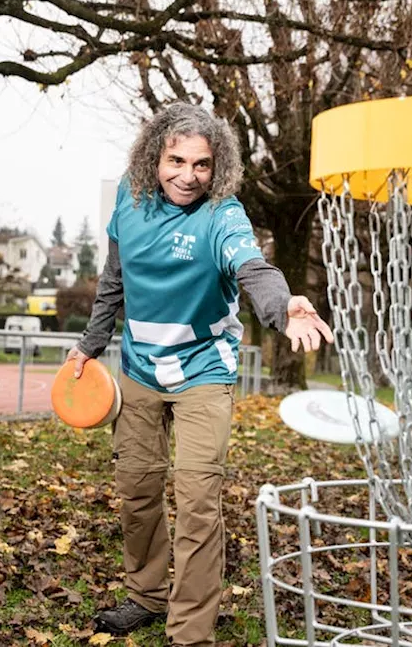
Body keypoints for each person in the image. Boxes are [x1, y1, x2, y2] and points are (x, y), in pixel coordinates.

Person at [67, 103, 333, 646]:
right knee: (137, 488)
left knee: (195, 501)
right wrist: (90, 344)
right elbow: (114, 278)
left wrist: (284, 310)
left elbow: (253, 268)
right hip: (139, 369)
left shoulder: (222, 214)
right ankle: (145, 594)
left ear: (219, 168)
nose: (188, 175)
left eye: (202, 165)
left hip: (204, 371)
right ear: (154, 157)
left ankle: (189, 631)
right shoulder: (128, 197)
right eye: (176, 160)